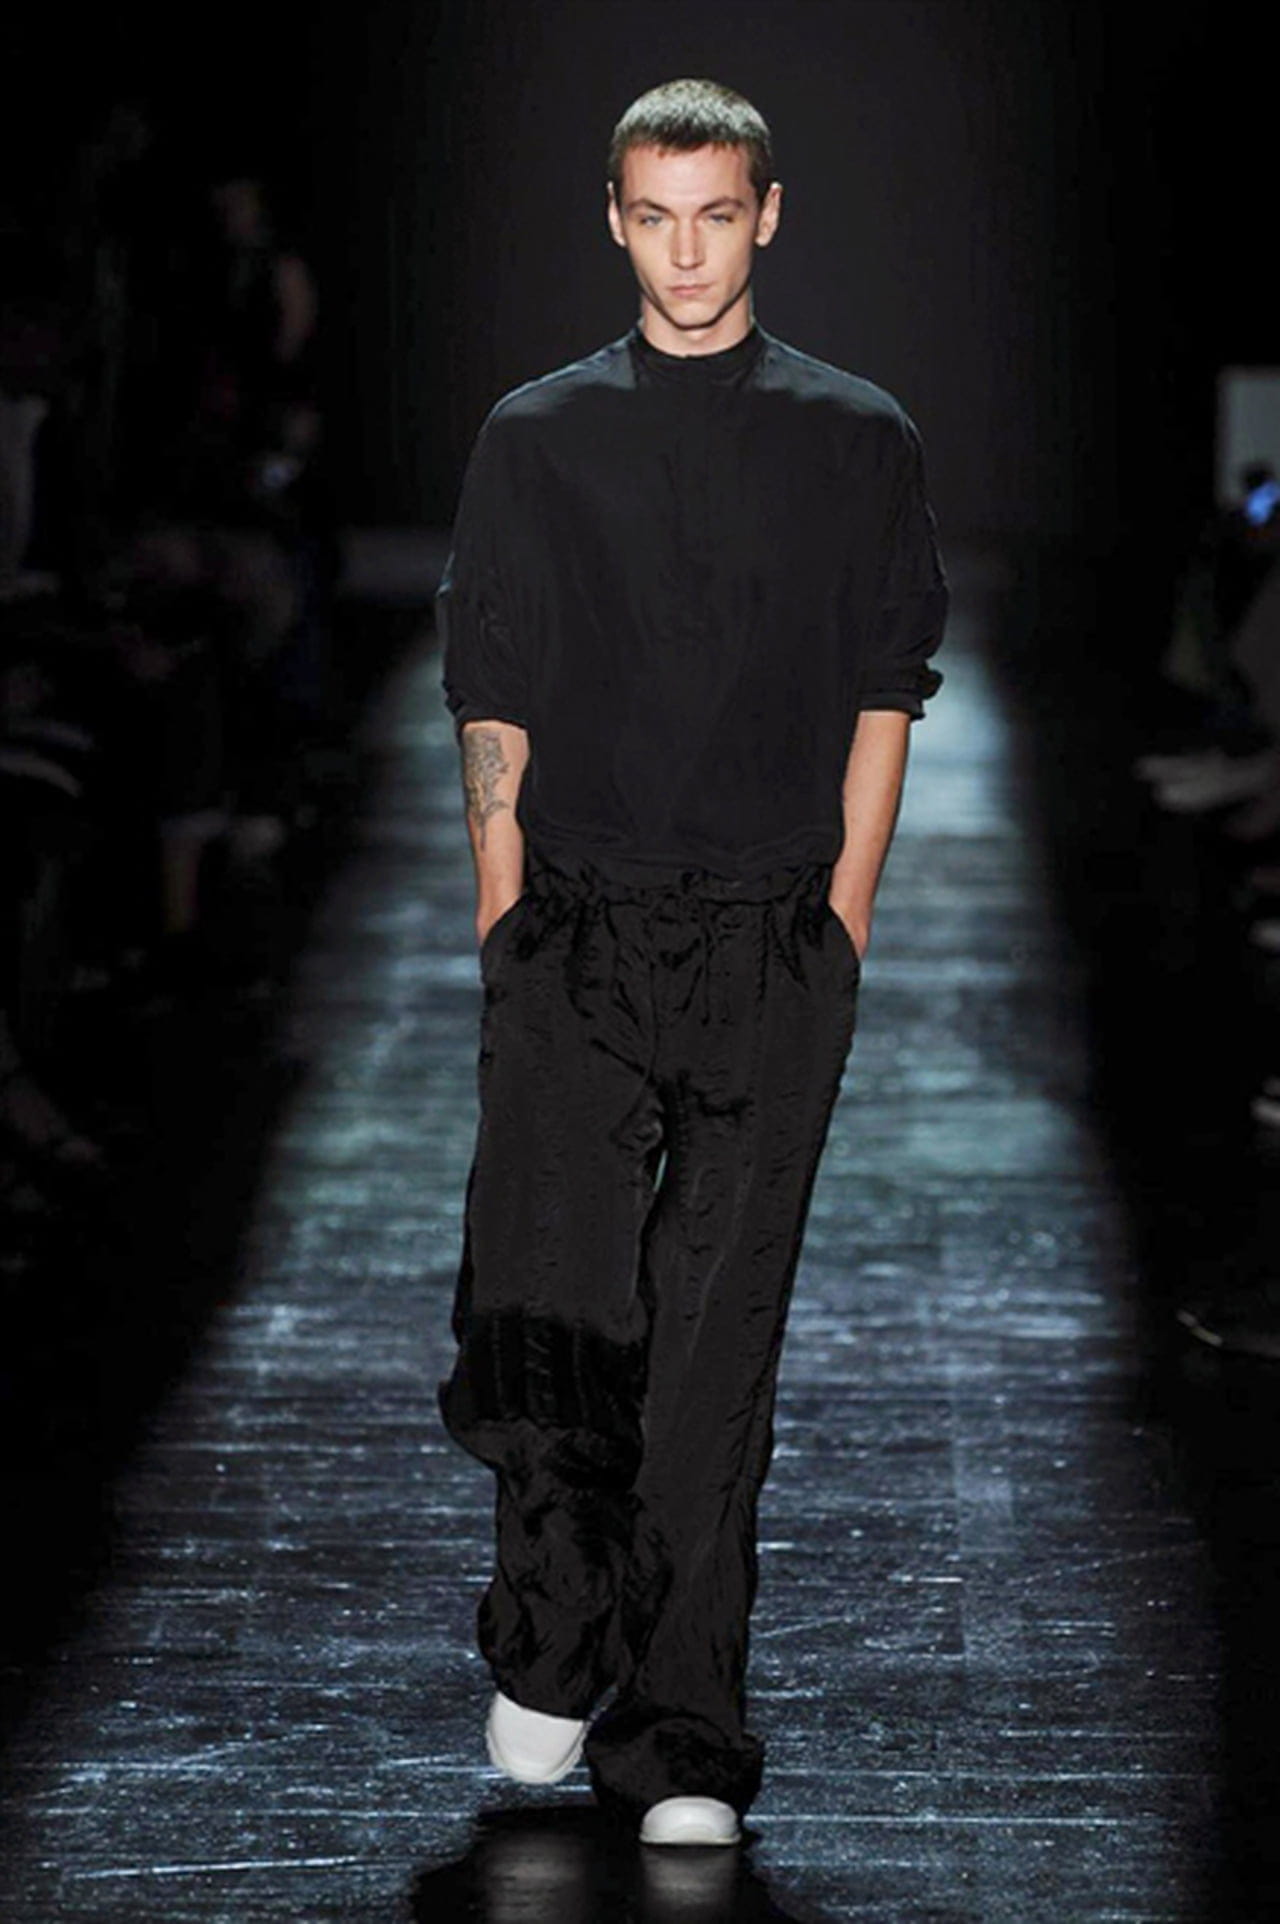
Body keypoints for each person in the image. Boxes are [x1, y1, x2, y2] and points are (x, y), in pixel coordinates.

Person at [437, 78, 947, 1849]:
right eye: (654, 217)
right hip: (575, 928)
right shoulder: (538, 435)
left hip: (763, 938)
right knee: (552, 1315)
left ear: (768, 215)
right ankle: (554, 1636)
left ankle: (684, 1737)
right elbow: (490, 679)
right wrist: (505, 914)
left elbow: (887, 689)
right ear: (614, 218)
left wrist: (842, 921)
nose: (685, 253)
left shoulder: (856, 437)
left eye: (716, 215)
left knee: (718, 1360)